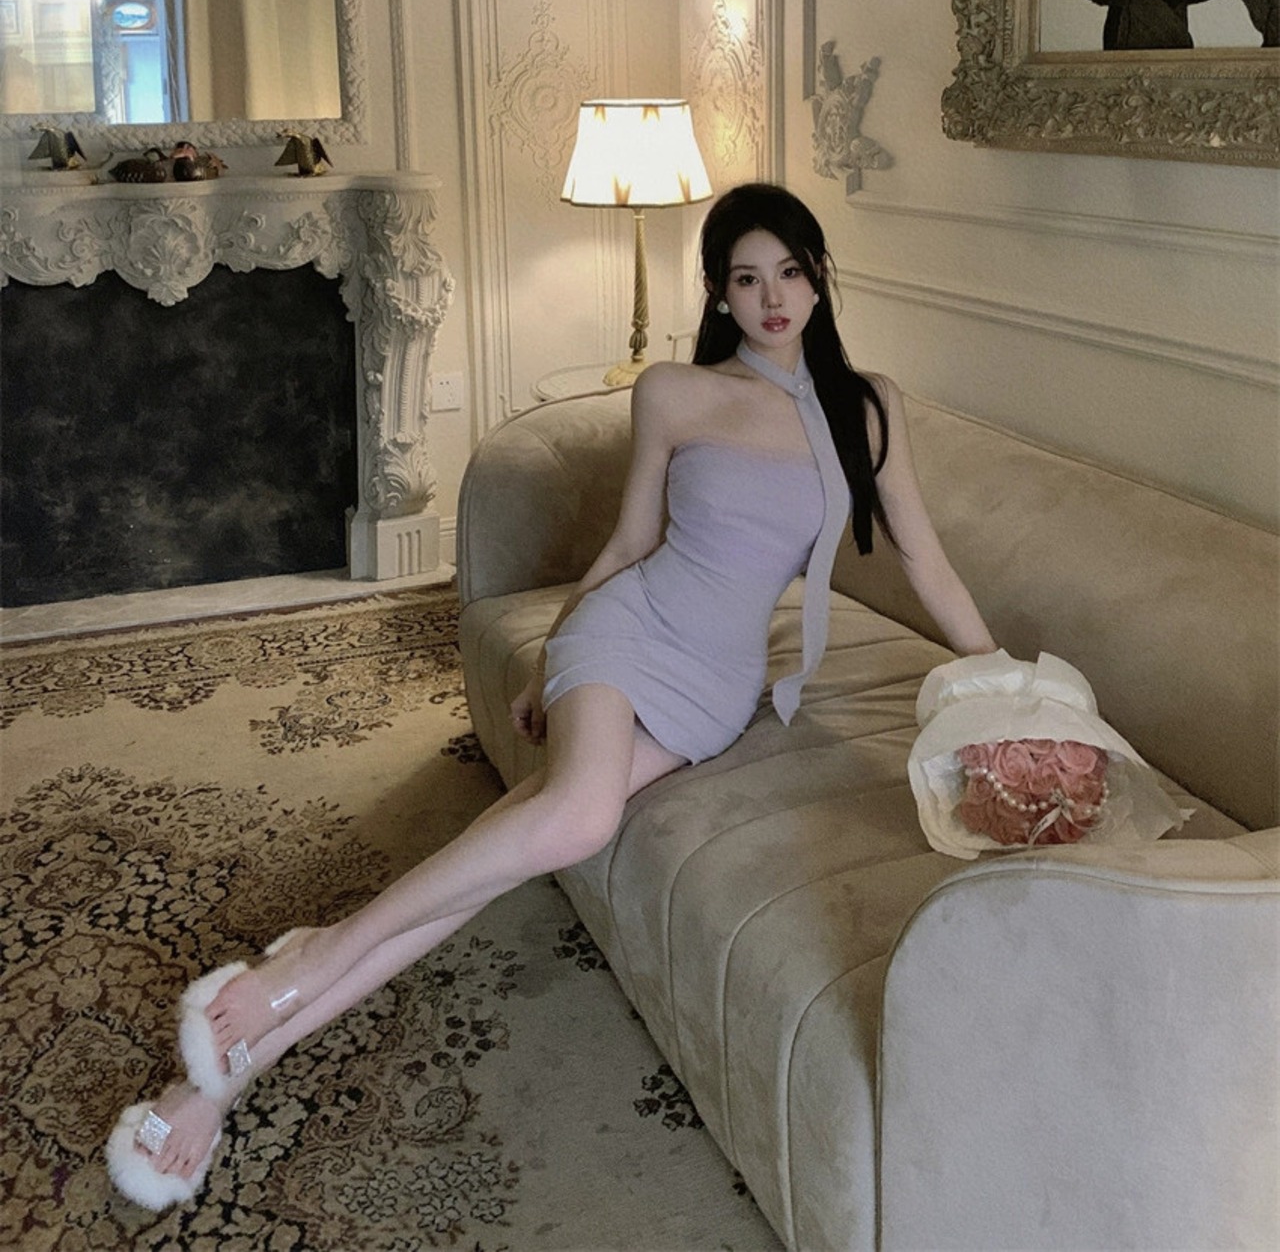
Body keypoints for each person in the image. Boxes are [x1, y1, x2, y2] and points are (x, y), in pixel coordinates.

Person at [108, 181, 997, 1209]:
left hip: (712, 689)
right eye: (746, 278)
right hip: (628, 631)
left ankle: (233, 1059)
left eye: (790, 273)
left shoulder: (867, 407)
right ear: (717, 291)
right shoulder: (674, 390)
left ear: (819, 276)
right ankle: (293, 977)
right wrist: (553, 652)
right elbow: (630, 542)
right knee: (576, 815)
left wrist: (1004, 683)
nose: (772, 298)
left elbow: (926, 563)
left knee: (500, 851)